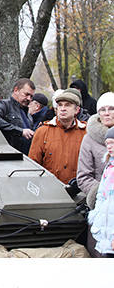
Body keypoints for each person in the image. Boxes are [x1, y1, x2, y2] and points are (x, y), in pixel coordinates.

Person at [28, 88, 87, 185]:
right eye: (60, 105)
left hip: (80, 191)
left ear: (77, 110)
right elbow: (33, 166)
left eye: (67, 105)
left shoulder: (85, 132)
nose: (63, 108)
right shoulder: (42, 132)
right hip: (49, 190)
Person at [87, 124, 114, 256]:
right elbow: (101, 196)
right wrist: (96, 215)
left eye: (112, 143)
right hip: (104, 235)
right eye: (107, 143)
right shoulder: (108, 168)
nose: (109, 147)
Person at [0, 78, 35, 153]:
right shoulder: (4, 105)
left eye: (31, 96)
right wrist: (20, 131)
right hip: (8, 156)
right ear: (16, 90)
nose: (29, 99)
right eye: (26, 94)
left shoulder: (28, 114)